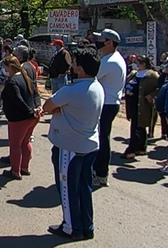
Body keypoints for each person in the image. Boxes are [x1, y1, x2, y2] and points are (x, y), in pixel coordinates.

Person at [43, 48, 104, 241]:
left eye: (75, 63)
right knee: (84, 188)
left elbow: (47, 107)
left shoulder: (72, 90)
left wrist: (59, 108)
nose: (72, 66)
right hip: (88, 144)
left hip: (70, 145)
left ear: (81, 69)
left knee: (67, 188)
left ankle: (71, 227)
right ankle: (87, 225)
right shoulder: (97, 86)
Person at [92, 29, 126, 187]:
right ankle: (97, 170)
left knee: (102, 139)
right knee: (101, 137)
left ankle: (101, 173)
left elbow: (92, 75)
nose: (98, 41)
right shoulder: (112, 58)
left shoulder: (110, 61)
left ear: (109, 42)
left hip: (107, 104)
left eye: (101, 39)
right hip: (109, 103)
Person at [0, 56, 41, 180]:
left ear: (10, 67)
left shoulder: (12, 81)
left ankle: (15, 171)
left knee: (15, 145)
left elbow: (18, 100)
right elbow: (36, 94)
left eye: (5, 67)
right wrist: (37, 107)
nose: (4, 69)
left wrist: (29, 112)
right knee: (25, 142)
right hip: (32, 117)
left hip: (19, 118)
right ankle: (24, 167)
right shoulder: (26, 77)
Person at [122, 56, 158, 159]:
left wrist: (152, 95)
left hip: (142, 105)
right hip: (132, 104)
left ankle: (131, 150)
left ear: (144, 64)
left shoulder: (152, 75)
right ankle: (141, 148)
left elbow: (160, 87)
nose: (136, 64)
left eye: (138, 62)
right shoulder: (134, 73)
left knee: (136, 127)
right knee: (139, 127)